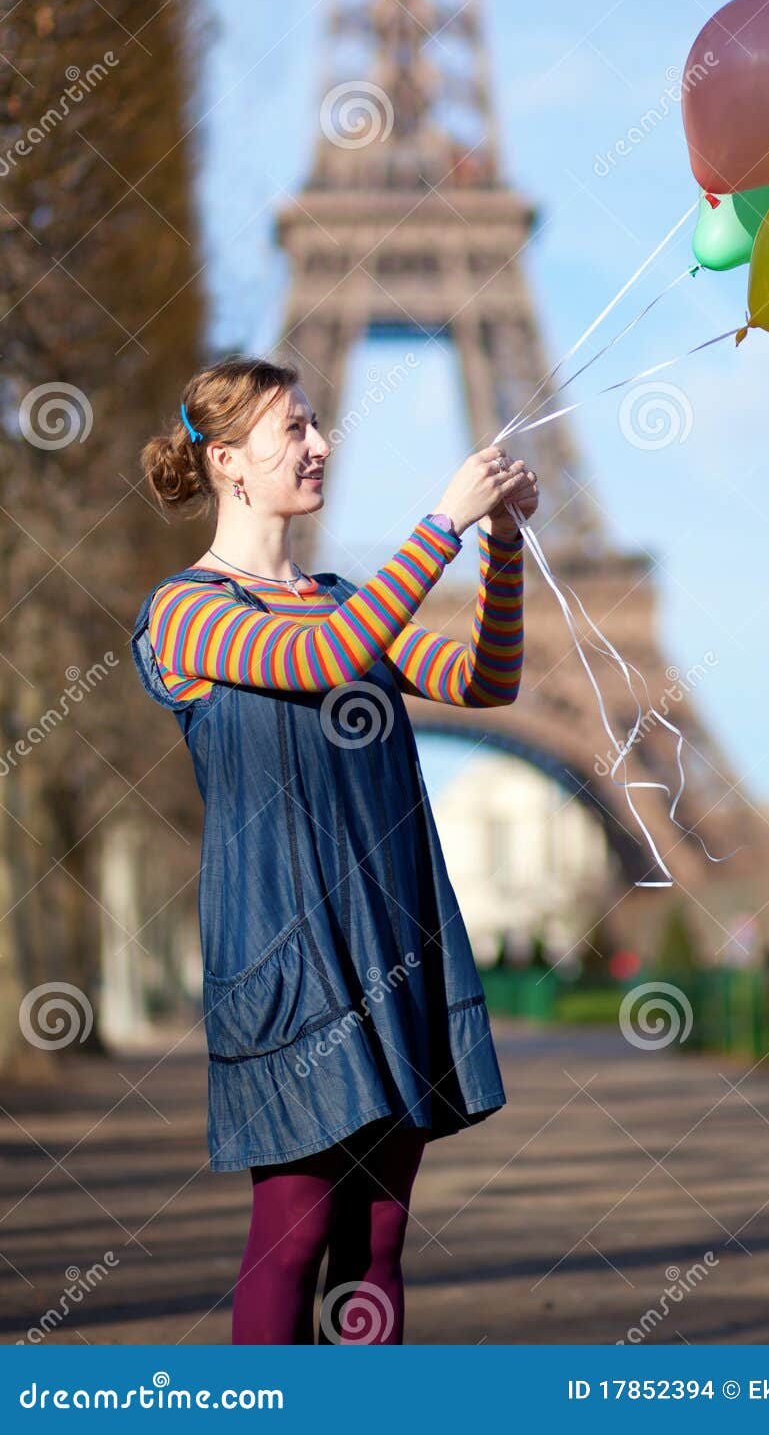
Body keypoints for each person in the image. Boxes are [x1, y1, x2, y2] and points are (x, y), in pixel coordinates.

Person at [130, 354, 538, 1344]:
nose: (320, 444)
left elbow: (484, 681)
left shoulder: (342, 597)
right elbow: (322, 658)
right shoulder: (184, 610)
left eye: (316, 422)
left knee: (378, 1239)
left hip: (390, 933)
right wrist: (442, 523)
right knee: (295, 1230)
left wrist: (499, 547)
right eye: (293, 429)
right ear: (227, 459)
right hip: (285, 950)